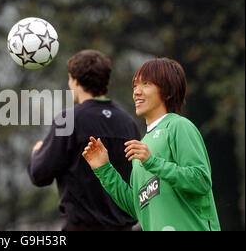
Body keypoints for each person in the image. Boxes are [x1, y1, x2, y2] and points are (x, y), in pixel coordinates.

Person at [82, 57, 221, 231]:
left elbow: (200, 181)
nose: (136, 92)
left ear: (168, 92)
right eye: (134, 86)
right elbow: (137, 208)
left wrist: (152, 162)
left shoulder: (179, 126)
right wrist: (104, 169)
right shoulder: (143, 146)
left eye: (146, 84)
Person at [28, 50, 141, 231]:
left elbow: (40, 175)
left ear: (76, 81)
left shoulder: (69, 120)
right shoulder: (128, 123)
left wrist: (37, 153)